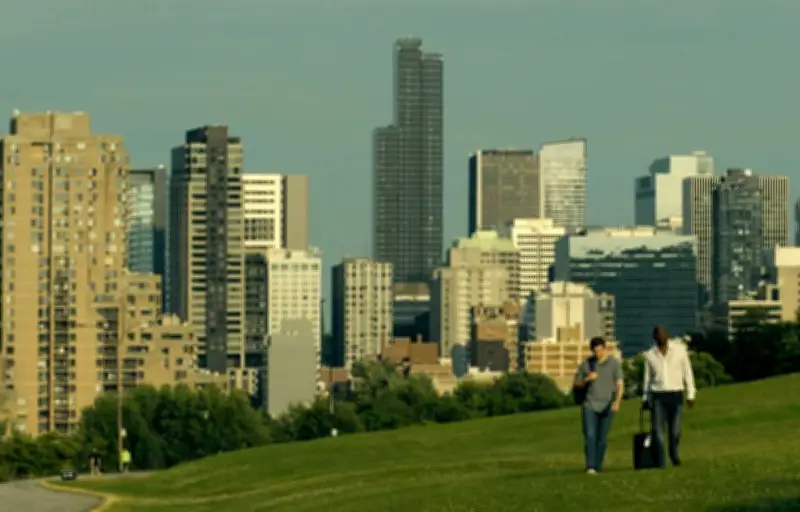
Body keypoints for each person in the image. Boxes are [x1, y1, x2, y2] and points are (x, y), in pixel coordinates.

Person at [642, 326, 697, 468]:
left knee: (675, 431)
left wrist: (690, 394)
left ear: (667, 336)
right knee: (658, 431)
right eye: (657, 336)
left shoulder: (680, 351)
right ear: (654, 338)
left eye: (662, 335)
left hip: (675, 393)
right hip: (658, 395)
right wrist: (645, 399)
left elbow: (687, 372)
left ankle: (673, 452)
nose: (661, 338)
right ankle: (660, 461)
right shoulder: (649, 355)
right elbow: (647, 379)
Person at [573, 336, 624, 474]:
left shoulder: (614, 364)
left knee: (602, 438)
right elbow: (576, 384)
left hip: (607, 405)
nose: (598, 354)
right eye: (595, 351)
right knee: (590, 435)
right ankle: (590, 466)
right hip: (590, 404)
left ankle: (598, 464)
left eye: (600, 351)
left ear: (605, 349)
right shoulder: (587, 364)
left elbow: (619, 384)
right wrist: (586, 379)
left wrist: (618, 401)